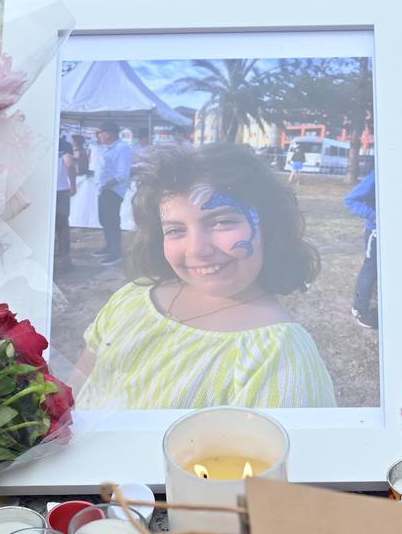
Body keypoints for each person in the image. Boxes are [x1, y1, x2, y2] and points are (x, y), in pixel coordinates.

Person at [74, 144, 337, 410]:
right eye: (176, 230)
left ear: (269, 226)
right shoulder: (132, 297)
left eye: (221, 222)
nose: (197, 250)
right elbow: (80, 384)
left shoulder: (281, 359)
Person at [93, 121, 131, 265]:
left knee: (111, 221)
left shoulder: (122, 148)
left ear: (109, 134)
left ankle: (116, 252)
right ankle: (109, 247)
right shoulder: (108, 148)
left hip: (112, 190)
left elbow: (123, 174)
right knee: (104, 220)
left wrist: (106, 185)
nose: (98, 136)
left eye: (100, 132)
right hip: (103, 189)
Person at [344, 171, 378, 329]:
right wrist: (375, 216)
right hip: (376, 233)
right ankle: (359, 310)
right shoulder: (378, 173)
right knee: (370, 270)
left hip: (396, 234)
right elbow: (350, 200)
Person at [55, 138, 77, 272]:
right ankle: (65, 261)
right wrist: (73, 184)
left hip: (41, 190)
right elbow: (69, 164)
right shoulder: (64, 144)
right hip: (61, 191)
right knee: (62, 228)